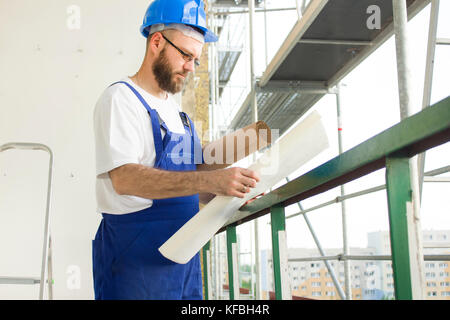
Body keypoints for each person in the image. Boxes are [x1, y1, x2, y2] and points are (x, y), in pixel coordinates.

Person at [92, 0, 260, 300]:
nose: (190, 68)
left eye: (195, 59)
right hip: (136, 265)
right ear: (157, 41)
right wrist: (213, 181)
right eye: (185, 55)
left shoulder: (175, 112)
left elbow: (190, 172)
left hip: (182, 260)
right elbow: (125, 178)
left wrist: (234, 188)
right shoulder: (122, 99)